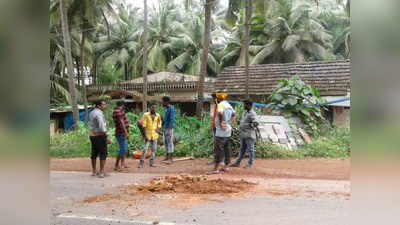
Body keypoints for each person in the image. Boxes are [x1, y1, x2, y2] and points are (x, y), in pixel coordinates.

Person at [209, 93, 237, 174]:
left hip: (221, 132)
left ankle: (216, 169)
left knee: (218, 149)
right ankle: (226, 166)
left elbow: (220, 113)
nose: (215, 100)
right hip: (228, 130)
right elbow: (234, 114)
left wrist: (222, 123)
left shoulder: (220, 104)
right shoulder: (228, 104)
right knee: (226, 148)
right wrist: (230, 123)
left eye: (215, 98)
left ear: (218, 98)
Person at [231, 100, 259, 168]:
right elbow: (244, 121)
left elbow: (256, 123)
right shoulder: (245, 112)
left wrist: (247, 126)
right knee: (242, 149)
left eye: (245, 105)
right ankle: (237, 163)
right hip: (243, 134)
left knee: (251, 150)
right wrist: (240, 123)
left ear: (249, 105)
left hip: (249, 135)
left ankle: (250, 164)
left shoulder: (252, 113)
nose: (244, 106)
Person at [89, 99, 111, 178]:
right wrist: (107, 136)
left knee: (94, 153)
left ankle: (94, 171)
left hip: (92, 135)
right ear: (99, 106)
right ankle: (101, 172)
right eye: (103, 104)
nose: (105, 106)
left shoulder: (92, 112)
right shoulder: (99, 113)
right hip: (100, 136)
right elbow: (102, 126)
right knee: (103, 153)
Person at [138, 103, 162, 168]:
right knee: (145, 149)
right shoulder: (146, 115)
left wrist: (158, 129)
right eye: (152, 107)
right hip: (148, 135)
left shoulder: (158, 115)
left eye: (155, 107)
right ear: (150, 108)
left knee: (153, 150)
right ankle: (141, 163)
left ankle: (151, 163)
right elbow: (144, 126)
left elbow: (159, 123)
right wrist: (145, 136)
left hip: (155, 135)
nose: (154, 109)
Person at [112, 100, 130, 172]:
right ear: (122, 105)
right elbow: (121, 122)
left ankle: (122, 164)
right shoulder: (117, 112)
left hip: (122, 133)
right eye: (124, 106)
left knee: (124, 149)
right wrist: (126, 133)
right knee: (123, 149)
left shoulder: (119, 111)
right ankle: (116, 166)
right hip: (121, 134)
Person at [162, 96, 175, 164]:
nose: (162, 103)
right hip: (165, 128)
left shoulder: (171, 108)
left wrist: (169, 129)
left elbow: (172, 119)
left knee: (170, 142)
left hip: (169, 128)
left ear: (166, 102)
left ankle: (171, 158)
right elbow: (164, 119)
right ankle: (167, 156)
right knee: (165, 142)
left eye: (163, 101)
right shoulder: (166, 109)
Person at [207, 93, 218, 165]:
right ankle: (216, 159)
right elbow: (215, 118)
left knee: (218, 145)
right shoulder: (216, 106)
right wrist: (212, 126)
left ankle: (218, 160)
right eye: (213, 98)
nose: (213, 100)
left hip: (219, 129)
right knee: (215, 144)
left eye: (214, 98)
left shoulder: (221, 106)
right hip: (215, 128)